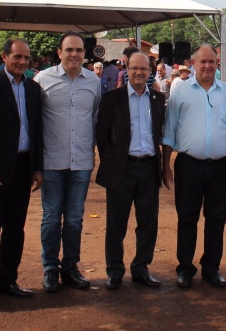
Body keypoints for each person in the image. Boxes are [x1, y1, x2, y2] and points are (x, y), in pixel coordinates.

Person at [0, 38, 44, 307]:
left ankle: (7, 280)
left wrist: (38, 168)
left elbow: (37, 131)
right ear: (4, 57)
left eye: (26, 58)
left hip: (24, 168)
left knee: (15, 228)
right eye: (17, 57)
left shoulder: (34, 89)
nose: (22, 62)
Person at [161, 44, 226, 289]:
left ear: (218, 64)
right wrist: (166, 165)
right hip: (188, 166)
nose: (207, 66)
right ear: (192, 63)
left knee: (217, 218)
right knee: (187, 218)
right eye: (202, 61)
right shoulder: (180, 91)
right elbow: (170, 129)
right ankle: (185, 268)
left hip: (221, 167)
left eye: (212, 62)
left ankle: (212, 268)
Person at [34, 32, 102, 292]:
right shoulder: (43, 80)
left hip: (82, 161)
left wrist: (93, 150)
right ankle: (50, 267)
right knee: (51, 218)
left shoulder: (93, 82)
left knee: (74, 219)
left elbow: (95, 118)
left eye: (79, 50)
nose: (74, 54)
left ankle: (70, 266)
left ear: (85, 53)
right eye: (69, 49)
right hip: (52, 160)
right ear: (59, 52)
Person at [95, 51, 166, 289]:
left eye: (144, 69)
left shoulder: (157, 99)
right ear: (127, 69)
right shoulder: (111, 99)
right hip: (121, 169)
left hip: (148, 167)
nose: (139, 72)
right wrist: (113, 161)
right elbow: (102, 136)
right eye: (134, 68)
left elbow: (160, 132)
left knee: (148, 223)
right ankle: (115, 270)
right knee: (116, 223)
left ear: (149, 72)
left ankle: (141, 268)